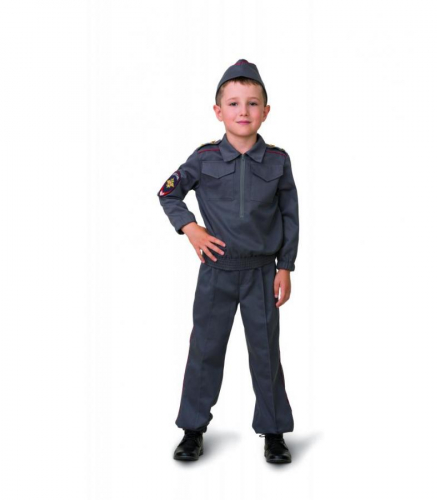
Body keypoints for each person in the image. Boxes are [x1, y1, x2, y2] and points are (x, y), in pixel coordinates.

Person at [157, 59, 299, 464]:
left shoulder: (277, 160)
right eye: (234, 103)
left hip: (261, 273)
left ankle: (274, 431)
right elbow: (168, 193)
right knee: (205, 351)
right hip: (217, 272)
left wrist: (285, 267)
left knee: (266, 354)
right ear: (218, 111)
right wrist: (191, 229)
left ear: (265, 111)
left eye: (252, 104)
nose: (243, 111)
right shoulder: (204, 158)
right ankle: (192, 429)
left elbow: (290, 216)